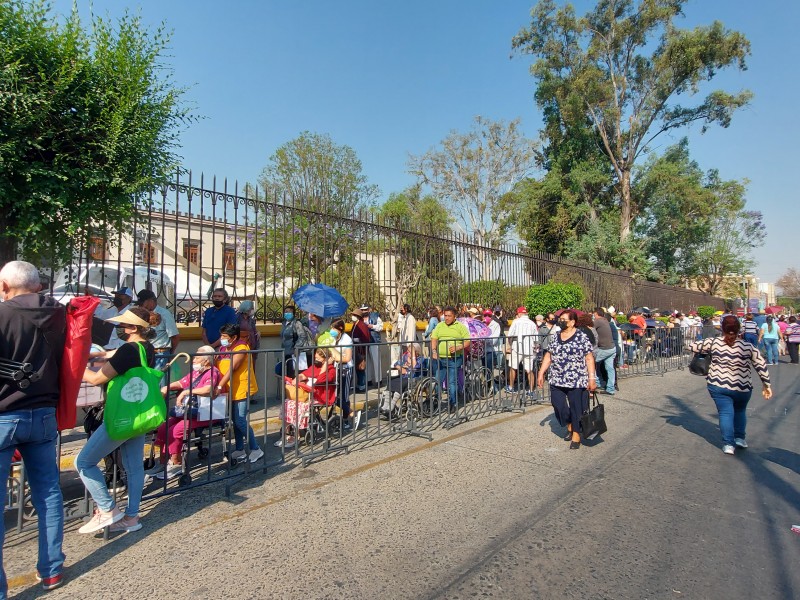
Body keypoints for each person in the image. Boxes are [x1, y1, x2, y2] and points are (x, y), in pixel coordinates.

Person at [0, 261, 66, 593]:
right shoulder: (60, 313)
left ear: (4, 286)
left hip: (4, 415)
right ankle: (52, 570)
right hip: (43, 413)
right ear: (38, 285)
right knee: (49, 493)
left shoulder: (1, 314)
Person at [78, 307, 155, 535]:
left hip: (120, 416)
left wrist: (75, 365)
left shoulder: (128, 350)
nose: (119, 329)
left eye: (122, 326)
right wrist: (96, 355)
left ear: (132, 328)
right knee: (134, 467)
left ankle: (107, 509)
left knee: (83, 462)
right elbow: (113, 355)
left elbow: (96, 378)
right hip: (138, 413)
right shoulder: (145, 348)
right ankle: (132, 517)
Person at [689, 315, 772, 455]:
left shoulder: (713, 342)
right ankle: (740, 438)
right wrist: (766, 384)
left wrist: (707, 351)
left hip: (718, 384)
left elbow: (692, 346)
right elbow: (760, 365)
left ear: (722, 328)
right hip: (742, 386)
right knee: (740, 411)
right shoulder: (748, 346)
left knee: (725, 413)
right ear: (739, 329)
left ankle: (728, 444)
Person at [148, 346, 221, 479]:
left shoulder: (212, 372)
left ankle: (176, 462)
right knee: (163, 427)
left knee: (176, 430)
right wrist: (166, 388)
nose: (193, 360)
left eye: (197, 357)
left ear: (206, 361)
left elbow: (208, 389)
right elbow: (181, 383)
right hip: (188, 410)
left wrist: (187, 392)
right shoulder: (196, 373)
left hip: (204, 411)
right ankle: (163, 462)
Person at [537, 309, 597, 450]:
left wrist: (591, 378)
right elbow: (548, 356)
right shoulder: (556, 336)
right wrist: (541, 373)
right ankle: (570, 423)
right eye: (560, 318)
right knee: (558, 404)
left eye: (564, 319)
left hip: (576, 379)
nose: (561, 321)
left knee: (577, 407)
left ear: (572, 322)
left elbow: (589, 358)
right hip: (557, 378)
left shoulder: (581, 337)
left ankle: (576, 433)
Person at [214, 323, 264, 463]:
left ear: (233, 337)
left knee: (240, 420)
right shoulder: (223, 349)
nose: (222, 338)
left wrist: (219, 386)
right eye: (221, 336)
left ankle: (256, 449)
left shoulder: (241, 348)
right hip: (229, 389)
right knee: (234, 421)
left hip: (241, 388)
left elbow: (232, 368)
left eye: (224, 336)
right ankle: (240, 449)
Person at [278, 348, 337, 449]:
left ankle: (296, 436)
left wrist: (325, 366)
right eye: (315, 358)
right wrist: (299, 378)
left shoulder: (331, 370)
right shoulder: (314, 367)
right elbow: (304, 374)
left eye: (318, 358)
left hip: (321, 396)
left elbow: (319, 380)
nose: (316, 360)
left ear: (325, 359)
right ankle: (286, 433)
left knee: (298, 406)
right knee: (288, 403)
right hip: (309, 394)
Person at [431, 307, 471, 410]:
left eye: (449, 316)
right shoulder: (440, 325)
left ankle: (453, 403)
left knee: (452, 382)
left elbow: (467, 341)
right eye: (445, 315)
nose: (447, 318)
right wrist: (434, 351)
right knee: (437, 380)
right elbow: (434, 338)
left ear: (454, 317)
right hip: (441, 358)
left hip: (454, 358)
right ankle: (435, 401)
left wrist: (458, 347)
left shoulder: (460, 327)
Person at [325, 318, 358, 429]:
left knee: (344, 396)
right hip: (336, 369)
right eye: (331, 328)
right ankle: (349, 413)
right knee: (334, 395)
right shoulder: (333, 339)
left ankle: (347, 418)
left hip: (346, 370)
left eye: (333, 328)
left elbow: (348, 358)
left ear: (340, 328)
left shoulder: (346, 339)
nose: (332, 330)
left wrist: (336, 358)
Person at [136, 289, 180, 372]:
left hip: (160, 353)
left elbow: (175, 336)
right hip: (145, 353)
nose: (141, 306)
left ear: (151, 301)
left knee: (159, 382)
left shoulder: (164, 314)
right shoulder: (143, 314)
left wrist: (170, 352)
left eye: (142, 303)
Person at [380, 343, 423, 419]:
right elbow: (396, 364)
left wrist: (407, 369)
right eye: (408, 351)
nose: (408, 353)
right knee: (391, 381)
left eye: (410, 351)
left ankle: (392, 406)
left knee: (402, 382)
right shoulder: (405, 357)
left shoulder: (420, 359)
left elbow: (416, 367)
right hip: (403, 378)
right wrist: (401, 368)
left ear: (416, 352)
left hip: (413, 380)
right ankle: (386, 405)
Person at [505, 307, 538, 396]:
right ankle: (531, 390)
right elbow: (536, 338)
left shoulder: (516, 322)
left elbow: (510, 335)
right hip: (529, 348)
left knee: (513, 367)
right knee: (529, 370)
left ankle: (511, 387)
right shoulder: (532, 323)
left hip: (517, 347)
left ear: (519, 314)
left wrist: (510, 346)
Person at [278, 305, 310, 378]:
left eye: (290, 311)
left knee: (293, 375)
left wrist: (296, 348)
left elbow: (302, 336)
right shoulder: (284, 323)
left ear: (293, 313)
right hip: (285, 353)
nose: (287, 313)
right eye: (286, 312)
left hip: (294, 354)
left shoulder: (297, 323)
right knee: (286, 375)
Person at [593, 308, 616, 396]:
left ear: (597, 314)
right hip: (612, 347)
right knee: (610, 368)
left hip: (604, 348)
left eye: (594, 315)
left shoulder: (598, 321)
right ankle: (610, 388)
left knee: (590, 362)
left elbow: (589, 328)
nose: (593, 316)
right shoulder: (605, 320)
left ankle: (597, 383)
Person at [350, 308, 372, 392]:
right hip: (356, 349)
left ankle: (362, 386)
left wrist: (357, 340)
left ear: (358, 316)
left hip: (360, 350)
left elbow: (366, 339)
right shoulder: (356, 324)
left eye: (354, 315)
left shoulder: (362, 325)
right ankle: (360, 385)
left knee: (360, 368)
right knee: (358, 368)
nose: (352, 317)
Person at [364, 304, 384, 384]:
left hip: (374, 341)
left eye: (365, 309)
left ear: (369, 310)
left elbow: (381, 327)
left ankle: (379, 380)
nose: (363, 311)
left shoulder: (375, 316)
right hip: (365, 341)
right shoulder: (360, 318)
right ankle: (368, 380)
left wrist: (372, 326)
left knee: (376, 361)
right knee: (367, 362)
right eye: (362, 310)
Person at [482, 309, 501, 375]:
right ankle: (485, 384)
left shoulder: (496, 325)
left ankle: (489, 384)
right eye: (485, 315)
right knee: (483, 369)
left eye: (489, 315)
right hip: (482, 351)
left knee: (488, 370)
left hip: (490, 351)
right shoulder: (481, 324)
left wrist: (484, 340)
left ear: (491, 316)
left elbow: (494, 340)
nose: (487, 317)